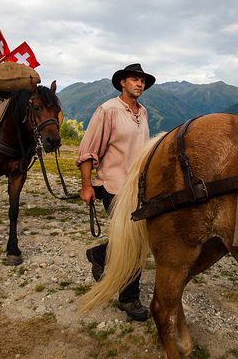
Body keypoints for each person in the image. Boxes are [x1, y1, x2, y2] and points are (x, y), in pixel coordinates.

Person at [76, 63, 156, 321]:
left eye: (142, 80)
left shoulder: (142, 112)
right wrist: (87, 186)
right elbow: (88, 150)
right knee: (133, 242)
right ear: (122, 82)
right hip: (112, 186)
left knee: (133, 239)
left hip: (136, 187)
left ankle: (99, 254)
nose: (139, 84)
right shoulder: (107, 110)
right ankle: (129, 299)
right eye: (135, 79)